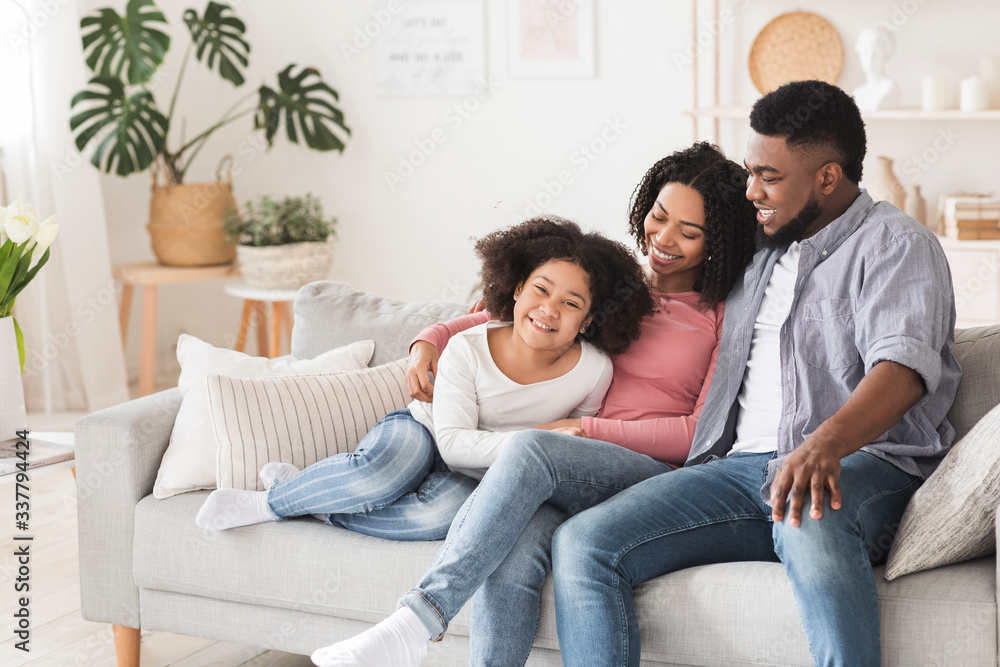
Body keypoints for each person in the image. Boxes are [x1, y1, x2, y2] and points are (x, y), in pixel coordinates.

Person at [551, 80, 962, 667]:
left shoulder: (896, 245)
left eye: (768, 176)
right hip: (741, 471)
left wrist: (822, 447)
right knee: (585, 543)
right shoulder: (760, 248)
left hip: (867, 466)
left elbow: (902, 370)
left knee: (807, 513)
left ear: (827, 176)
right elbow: (637, 266)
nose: (751, 191)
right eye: (749, 171)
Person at [309, 142, 758, 667]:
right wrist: (429, 339)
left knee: (529, 450)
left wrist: (584, 430)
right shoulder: (615, 286)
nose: (664, 238)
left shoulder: (723, 315)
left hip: (647, 474)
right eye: (660, 217)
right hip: (573, 469)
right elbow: (514, 317)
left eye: (690, 231)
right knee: (513, 554)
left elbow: (699, 433)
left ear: (718, 240)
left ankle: (417, 621)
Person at [195, 216, 651, 540]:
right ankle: (268, 502)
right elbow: (453, 443)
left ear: (588, 322)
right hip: (427, 430)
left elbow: (576, 447)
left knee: (444, 515)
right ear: (515, 290)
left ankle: (316, 505)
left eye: (572, 304)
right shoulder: (469, 348)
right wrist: (539, 437)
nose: (550, 308)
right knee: (385, 472)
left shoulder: (594, 371)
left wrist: (547, 447)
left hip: (484, 473)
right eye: (541, 289)